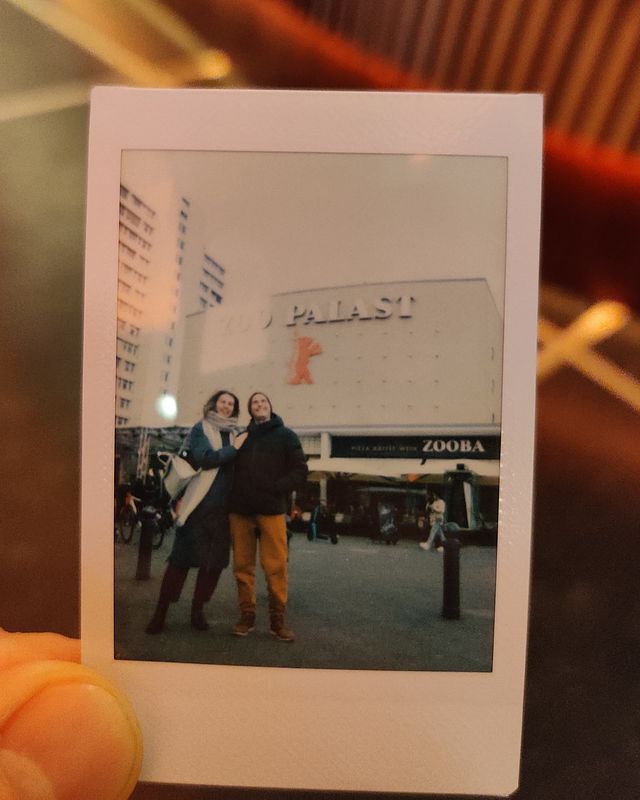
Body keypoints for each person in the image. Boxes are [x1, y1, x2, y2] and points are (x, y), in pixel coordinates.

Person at [146, 390, 247, 634]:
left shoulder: (235, 433)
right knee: (180, 562)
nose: (226, 406)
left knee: (213, 566)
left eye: (231, 404)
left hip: (224, 512)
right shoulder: (202, 428)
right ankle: (160, 613)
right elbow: (205, 458)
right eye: (222, 402)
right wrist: (234, 449)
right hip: (200, 507)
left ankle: (197, 611)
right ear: (214, 404)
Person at [228, 392, 308, 642]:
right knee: (242, 567)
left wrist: (277, 488)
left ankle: (277, 620)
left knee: (276, 566)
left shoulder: (286, 435)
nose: (259, 405)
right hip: (240, 510)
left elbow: (300, 470)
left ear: (270, 407)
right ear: (250, 410)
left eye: (263, 401)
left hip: (271, 510)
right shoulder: (243, 437)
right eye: (255, 403)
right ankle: (247, 616)